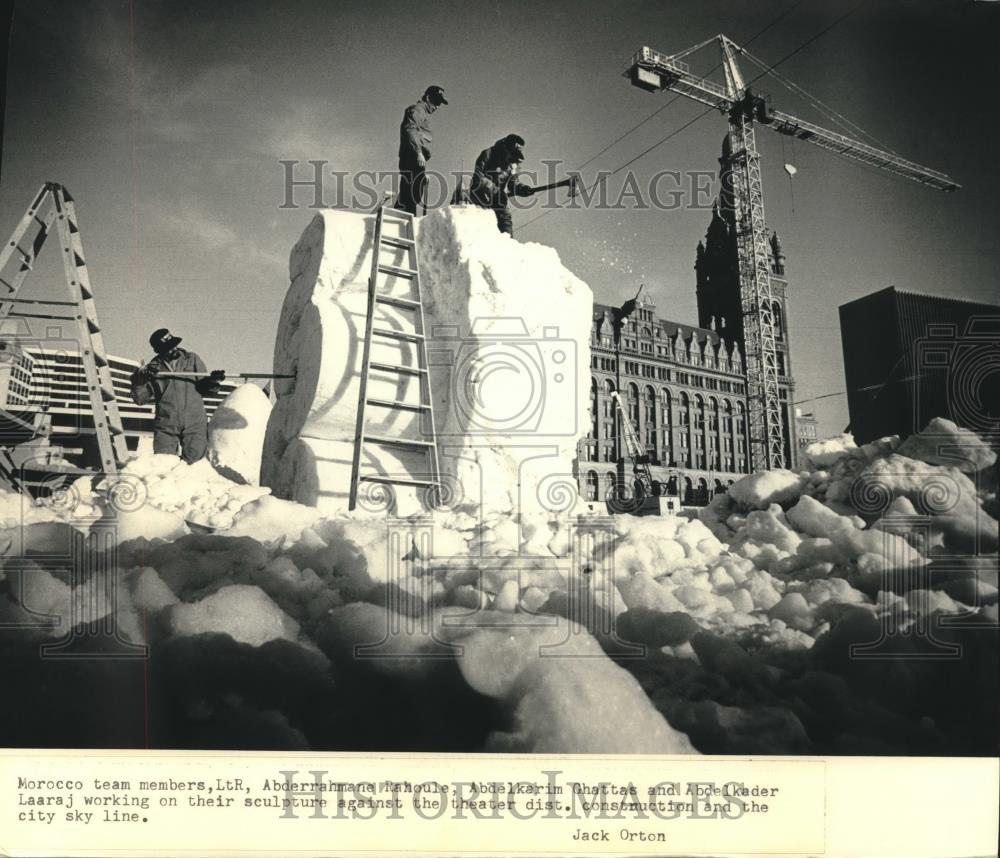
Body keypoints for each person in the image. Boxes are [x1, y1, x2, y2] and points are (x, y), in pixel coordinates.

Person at [130, 328, 224, 464]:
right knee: (163, 464)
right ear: (158, 350)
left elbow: (205, 388)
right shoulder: (153, 369)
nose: (173, 349)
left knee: (196, 466)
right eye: (167, 348)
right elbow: (140, 399)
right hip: (166, 424)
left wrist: (212, 382)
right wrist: (139, 381)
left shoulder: (191, 359)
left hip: (194, 422)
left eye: (174, 344)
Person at [396, 85, 448, 215]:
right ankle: (403, 221)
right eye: (436, 102)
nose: (437, 107)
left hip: (416, 160)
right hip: (412, 158)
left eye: (439, 104)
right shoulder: (417, 110)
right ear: (428, 97)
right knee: (410, 197)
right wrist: (418, 152)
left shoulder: (423, 114)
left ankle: (399, 215)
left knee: (412, 195)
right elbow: (410, 130)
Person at [469, 133, 534, 235]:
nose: (512, 158)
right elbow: (478, 177)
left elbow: (513, 184)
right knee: (481, 224)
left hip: (497, 199)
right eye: (512, 153)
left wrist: (522, 189)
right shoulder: (488, 154)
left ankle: (507, 246)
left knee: (505, 218)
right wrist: (495, 192)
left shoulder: (513, 163)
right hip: (478, 196)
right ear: (506, 148)